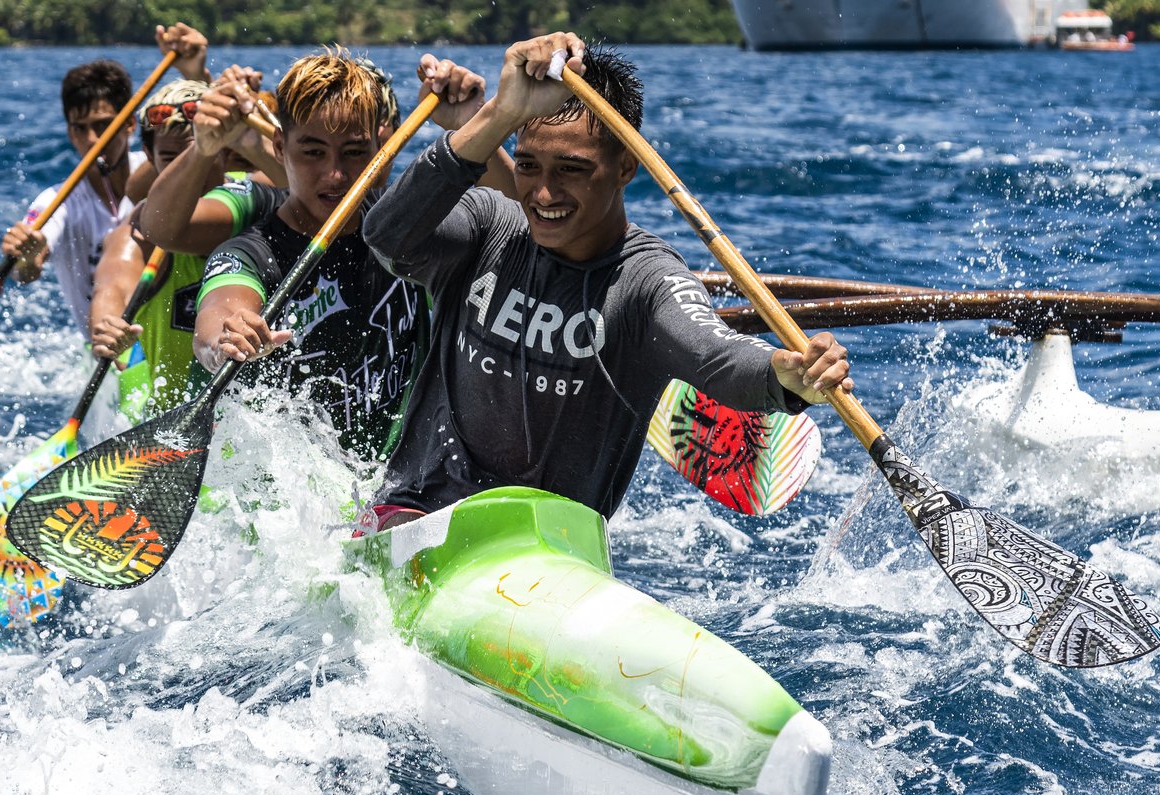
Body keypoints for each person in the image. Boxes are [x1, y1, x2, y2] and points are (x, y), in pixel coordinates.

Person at [360, 32, 851, 525]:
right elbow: (386, 235)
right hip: (413, 514)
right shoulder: (486, 223)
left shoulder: (647, 280)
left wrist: (786, 375)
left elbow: (712, 353)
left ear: (626, 168)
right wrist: (496, 116)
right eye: (528, 166)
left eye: (571, 170)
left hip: (553, 547)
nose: (543, 194)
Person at [177, 50, 436, 458]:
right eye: (313, 152)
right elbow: (215, 323)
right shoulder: (247, 255)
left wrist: (489, 118)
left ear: (380, 148)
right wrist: (227, 337)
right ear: (279, 147)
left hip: (396, 475)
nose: (335, 174)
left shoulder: (406, 227)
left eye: (353, 152)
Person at [88, 73, 283, 420]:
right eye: (172, 158)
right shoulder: (137, 236)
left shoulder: (253, 196)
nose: (190, 172)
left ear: (225, 151)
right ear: (148, 155)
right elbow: (111, 290)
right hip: (168, 417)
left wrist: (250, 133)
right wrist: (106, 327)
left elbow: (312, 179)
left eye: (201, 153)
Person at [1, 30, 209, 327]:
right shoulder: (55, 202)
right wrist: (25, 257)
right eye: (80, 129)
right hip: (107, 343)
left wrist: (196, 75)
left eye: (102, 126)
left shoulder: (157, 167)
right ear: (70, 133)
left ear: (127, 125)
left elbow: (207, 141)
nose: (92, 139)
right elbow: (27, 272)